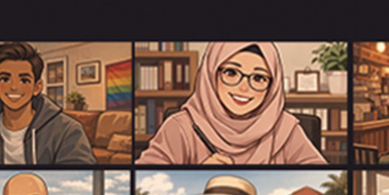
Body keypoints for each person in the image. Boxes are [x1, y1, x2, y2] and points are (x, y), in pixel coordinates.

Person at [137, 41, 324, 166]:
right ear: (211, 74)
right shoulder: (180, 127)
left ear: (272, 86)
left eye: (258, 78)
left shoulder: (284, 128)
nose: (244, 87)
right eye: (231, 73)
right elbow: (144, 177)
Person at [0, 42, 95, 165]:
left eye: (24, 80)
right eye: (5, 79)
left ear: (37, 87)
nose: (14, 87)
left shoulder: (67, 131)